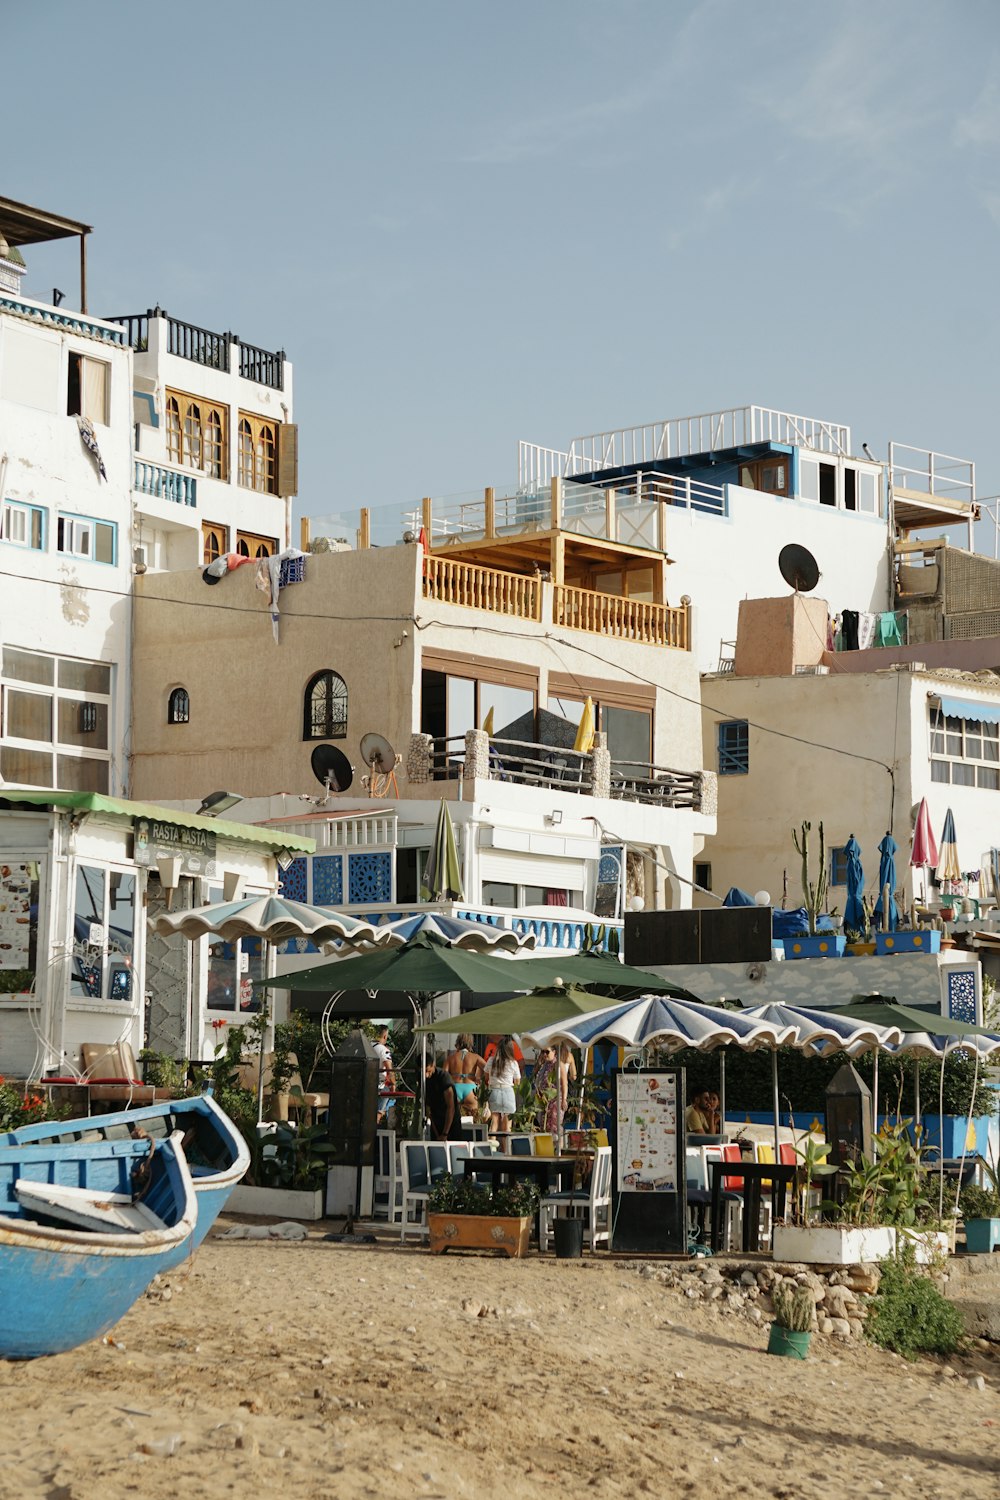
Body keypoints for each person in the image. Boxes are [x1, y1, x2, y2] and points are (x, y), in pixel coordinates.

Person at [485, 1035, 520, 1151]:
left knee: (494, 1122)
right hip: (508, 1091)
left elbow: (486, 1076)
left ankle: (491, 1150)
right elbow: (517, 1081)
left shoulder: (491, 1060)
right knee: (507, 1126)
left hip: (494, 1091)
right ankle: (506, 1151)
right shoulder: (513, 1063)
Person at [425, 1051, 463, 1141]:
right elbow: (428, 1109)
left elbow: (451, 1107)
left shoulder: (443, 1078)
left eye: (428, 1071)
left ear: (433, 1065)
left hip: (451, 1125)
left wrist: (445, 1133)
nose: (426, 1075)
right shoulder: (423, 1079)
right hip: (436, 1122)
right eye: (424, 1072)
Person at [445, 1034, 485, 1118]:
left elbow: (443, 1075)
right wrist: (479, 1078)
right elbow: (488, 1069)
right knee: (474, 1117)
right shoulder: (475, 1057)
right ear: (470, 1043)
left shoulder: (450, 1058)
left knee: (453, 1118)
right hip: (471, 1089)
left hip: (455, 1088)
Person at [373, 1025, 395, 1125]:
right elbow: (389, 1070)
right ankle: (377, 1119)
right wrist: (393, 1085)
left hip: (365, 1084)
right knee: (386, 1092)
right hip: (379, 1086)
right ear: (385, 1036)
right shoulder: (383, 1050)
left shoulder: (366, 1046)